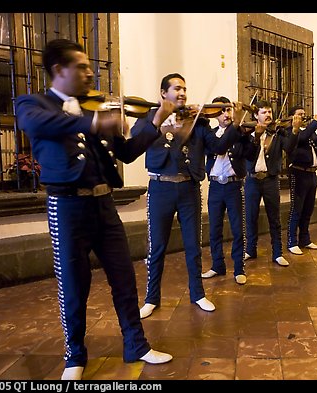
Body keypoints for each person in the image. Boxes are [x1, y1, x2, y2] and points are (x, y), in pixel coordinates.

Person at [15, 38, 172, 380]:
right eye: (82, 67)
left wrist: (157, 119)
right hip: (67, 207)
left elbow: (128, 152)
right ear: (59, 70)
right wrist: (92, 123)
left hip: (104, 204)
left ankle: (137, 345)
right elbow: (38, 126)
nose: (90, 73)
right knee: (73, 284)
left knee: (124, 278)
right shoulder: (33, 104)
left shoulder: (94, 110)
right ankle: (75, 355)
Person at [131, 73, 245, 317]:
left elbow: (218, 147)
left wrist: (234, 125)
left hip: (188, 188)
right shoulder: (150, 117)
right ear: (163, 93)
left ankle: (198, 294)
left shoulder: (199, 122)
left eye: (185, 89)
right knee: (157, 247)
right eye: (176, 89)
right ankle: (151, 298)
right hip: (160, 187)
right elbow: (136, 141)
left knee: (193, 246)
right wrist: (161, 122)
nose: (182, 93)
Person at [201, 96, 255, 285]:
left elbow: (251, 154)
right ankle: (217, 265)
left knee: (237, 228)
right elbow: (213, 149)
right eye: (222, 110)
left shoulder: (240, 133)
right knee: (214, 229)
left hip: (233, 185)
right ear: (215, 114)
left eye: (229, 110)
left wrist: (246, 134)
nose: (226, 113)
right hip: (215, 185)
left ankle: (239, 268)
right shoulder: (209, 134)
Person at [244, 100, 299, 266]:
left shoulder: (279, 133)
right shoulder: (248, 134)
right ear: (256, 115)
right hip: (252, 180)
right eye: (264, 112)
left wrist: (295, 131)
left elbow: (289, 148)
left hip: (270, 180)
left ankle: (277, 252)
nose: (268, 115)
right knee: (251, 216)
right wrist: (257, 137)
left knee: (274, 218)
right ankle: (250, 250)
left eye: (269, 112)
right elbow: (246, 155)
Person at [286, 105, 317, 255]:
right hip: (298, 173)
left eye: (304, 114)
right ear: (292, 117)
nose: (303, 116)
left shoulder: (307, 131)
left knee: (308, 209)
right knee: (296, 209)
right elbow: (301, 139)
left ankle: (305, 239)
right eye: (300, 114)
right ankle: (292, 241)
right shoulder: (291, 132)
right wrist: (314, 123)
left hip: (311, 174)